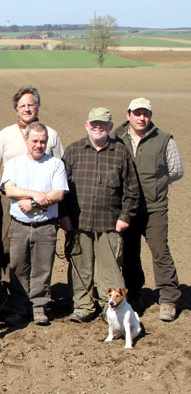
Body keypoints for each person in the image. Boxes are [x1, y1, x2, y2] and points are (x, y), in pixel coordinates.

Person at [59, 107, 139, 323]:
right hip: (78, 222)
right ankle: (83, 306)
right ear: (87, 125)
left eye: (102, 124)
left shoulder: (121, 152)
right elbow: (62, 187)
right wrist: (64, 215)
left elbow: (132, 190)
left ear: (110, 127)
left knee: (110, 270)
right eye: (94, 123)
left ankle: (109, 309)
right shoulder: (74, 151)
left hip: (110, 223)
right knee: (80, 268)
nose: (98, 127)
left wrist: (125, 217)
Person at [113, 98, 183, 321]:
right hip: (128, 208)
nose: (141, 118)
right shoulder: (117, 138)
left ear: (150, 116)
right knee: (130, 254)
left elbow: (175, 171)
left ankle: (169, 298)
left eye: (146, 114)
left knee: (160, 251)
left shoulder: (163, 139)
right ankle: (134, 296)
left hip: (155, 208)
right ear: (128, 114)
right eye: (137, 113)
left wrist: (156, 187)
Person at [0, 87, 64, 280]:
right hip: (10, 200)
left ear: (38, 107)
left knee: (41, 249)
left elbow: (60, 169)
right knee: (7, 244)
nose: (27, 109)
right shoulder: (5, 134)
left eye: (31, 104)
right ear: (16, 109)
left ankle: (37, 294)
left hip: (44, 201)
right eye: (22, 105)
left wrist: (61, 209)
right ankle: (8, 288)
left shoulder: (51, 135)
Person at [0, 122, 68, 326]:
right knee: (19, 268)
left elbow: (58, 193)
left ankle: (39, 307)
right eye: (35, 141)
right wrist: (36, 195)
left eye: (43, 141)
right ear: (26, 140)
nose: (39, 145)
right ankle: (19, 308)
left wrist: (31, 203)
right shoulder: (14, 163)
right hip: (19, 226)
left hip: (46, 226)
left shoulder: (55, 164)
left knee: (42, 268)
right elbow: (9, 190)